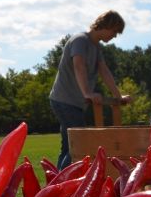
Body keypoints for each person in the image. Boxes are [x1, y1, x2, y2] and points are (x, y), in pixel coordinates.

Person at [49, 10, 132, 170]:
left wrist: (118, 96)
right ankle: (62, 182)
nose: (114, 36)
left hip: (74, 103)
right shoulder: (80, 40)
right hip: (64, 100)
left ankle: (56, 182)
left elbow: (104, 71)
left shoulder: (96, 47)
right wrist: (87, 93)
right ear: (106, 25)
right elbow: (78, 65)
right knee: (80, 143)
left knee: (69, 145)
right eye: (114, 32)